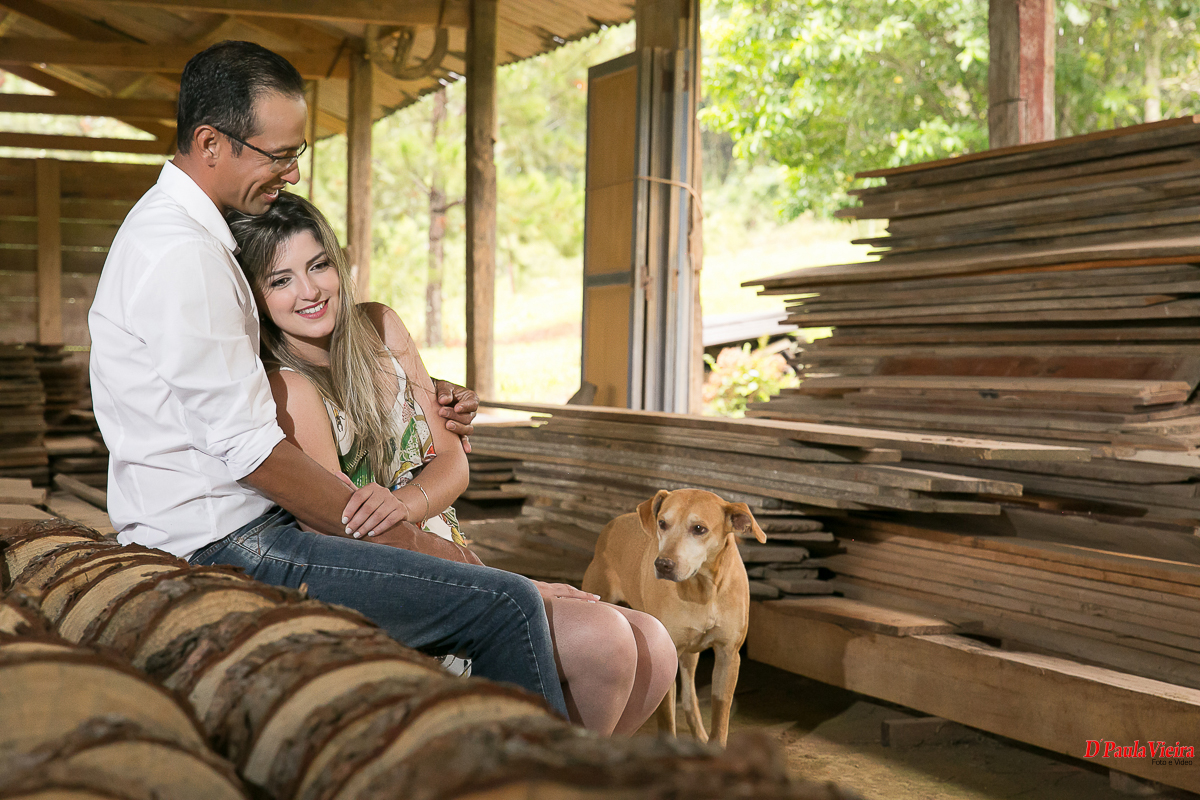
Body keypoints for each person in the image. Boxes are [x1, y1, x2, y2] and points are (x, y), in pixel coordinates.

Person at [88, 40, 566, 717]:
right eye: (278, 154)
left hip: (241, 525)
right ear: (210, 143)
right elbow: (252, 452)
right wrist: (403, 536)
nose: (291, 173)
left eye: (296, 154)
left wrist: (419, 398)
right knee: (505, 602)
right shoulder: (182, 255)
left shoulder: (188, 237)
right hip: (230, 543)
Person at [225, 189, 676, 735]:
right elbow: (359, 537)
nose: (310, 290)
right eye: (281, 279)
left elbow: (453, 466)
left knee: (654, 646)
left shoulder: (382, 329)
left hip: (449, 549)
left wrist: (400, 502)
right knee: (606, 640)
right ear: (254, 296)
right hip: (408, 583)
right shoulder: (290, 391)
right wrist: (514, 584)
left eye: (318, 265)